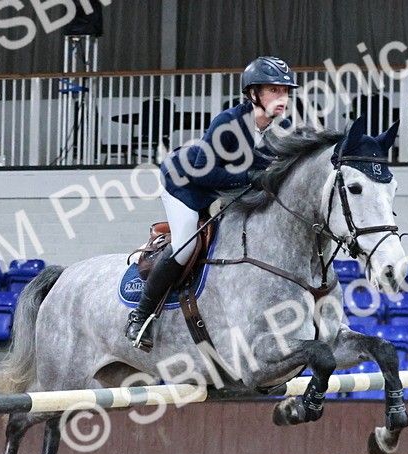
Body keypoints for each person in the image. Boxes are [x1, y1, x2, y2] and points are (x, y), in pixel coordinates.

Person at [124, 56, 298, 351]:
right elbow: (204, 172)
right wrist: (252, 175)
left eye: (285, 92)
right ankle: (140, 317)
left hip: (227, 189)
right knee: (186, 245)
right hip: (186, 183)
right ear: (253, 93)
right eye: (274, 91)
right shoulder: (229, 123)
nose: (282, 98)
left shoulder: (285, 127)